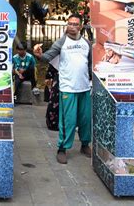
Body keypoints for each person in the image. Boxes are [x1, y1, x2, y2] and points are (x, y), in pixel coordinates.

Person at [33, 13, 92, 164]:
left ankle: (85, 145)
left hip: (84, 88)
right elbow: (48, 56)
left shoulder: (86, 43)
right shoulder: (61, 42)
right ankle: (62, 149)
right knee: (68, 121)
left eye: (75, 24)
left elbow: (90, 64)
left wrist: (92, 80)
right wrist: (39, 56)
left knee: (85, 119)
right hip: (67, 88)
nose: (72, 26)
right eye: (70, 23)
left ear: (81, 26)